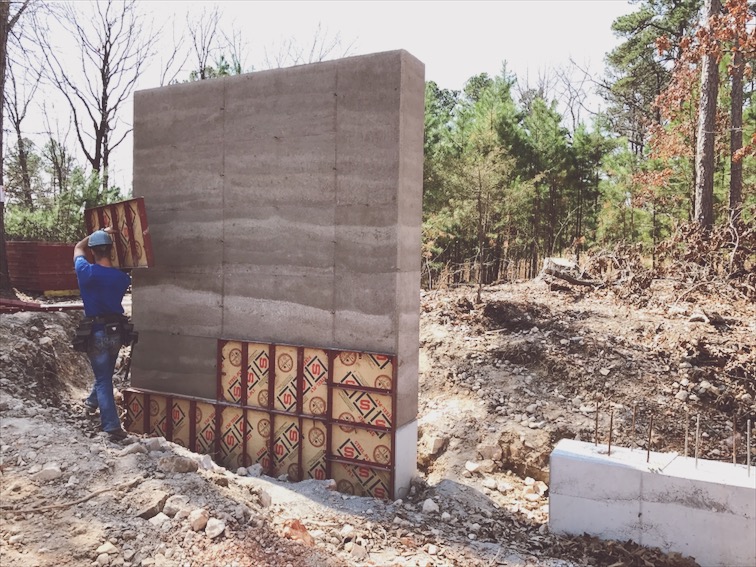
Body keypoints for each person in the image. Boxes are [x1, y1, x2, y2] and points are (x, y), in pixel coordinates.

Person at [73, 227, 131, 440]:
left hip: (96, 332)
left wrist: (100, 231)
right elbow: (121, 271)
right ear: (110, 251)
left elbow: (78, 247)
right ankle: (91, 403)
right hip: (116, 333)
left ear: (93, 251)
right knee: (105, 375)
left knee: (103, 379)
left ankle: (111, 426)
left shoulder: (85, 272)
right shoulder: (122, 279)